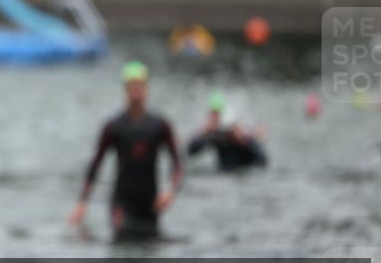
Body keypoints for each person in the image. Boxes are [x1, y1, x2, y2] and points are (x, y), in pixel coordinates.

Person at [67, 62, 183, 241]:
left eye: (139, 86)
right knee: (121, 247)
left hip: (150, 205)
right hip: (122, 203)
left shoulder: (160, 126)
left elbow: (178, 164)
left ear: (146, 89)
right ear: (125, 90)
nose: (136, 91)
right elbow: (95, 165)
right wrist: (83, 202)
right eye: (131, 86)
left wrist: (170, 191)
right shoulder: (113, 127)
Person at [187, 92, 268, 171]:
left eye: (216, 114)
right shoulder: (217, 136)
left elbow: (263, 161)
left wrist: (244, 142)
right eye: (213, 114)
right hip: (224, 173)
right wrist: (204, 133)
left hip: (245, 171)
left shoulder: (244, 136)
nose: (214, 118)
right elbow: (189, 152)